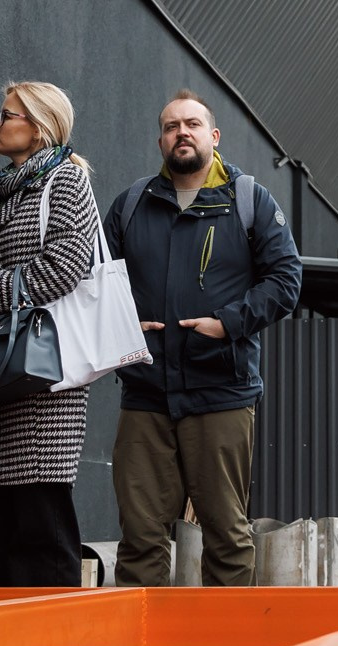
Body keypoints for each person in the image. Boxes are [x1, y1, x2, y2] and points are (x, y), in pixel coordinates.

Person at [104, 91, 302, 587]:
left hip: (220, 391)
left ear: (213, 136)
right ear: (160, 140)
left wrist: (228, 322)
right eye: (171, 126)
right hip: (145, 393)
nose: (181, 133)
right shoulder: (131, 205)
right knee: (140, 537)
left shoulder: (249, 200)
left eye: (192, 124)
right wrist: (124, 331)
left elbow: (285, 280)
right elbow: (96, 287)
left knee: (225, 534)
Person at [0, 82, 102, 587]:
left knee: (41, 533)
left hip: (43, 384)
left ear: (38, 128)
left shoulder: (66, 185)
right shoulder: (0, 197)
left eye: (6, 115)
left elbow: (60, 270)